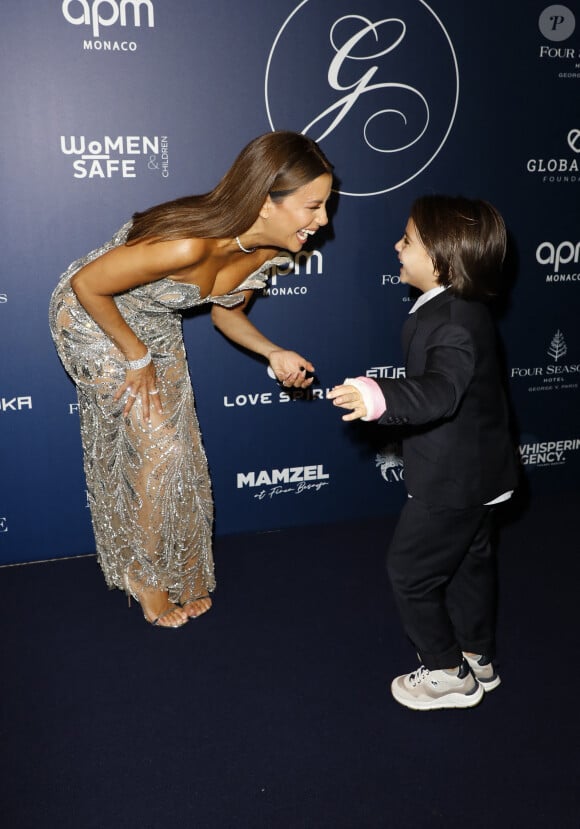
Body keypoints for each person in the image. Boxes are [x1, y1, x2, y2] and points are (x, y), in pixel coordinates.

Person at [50, 131, 333, 628]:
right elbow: (87, 285)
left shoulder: (270, 250)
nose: (323, 220)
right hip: (93, 318)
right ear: (267, 202)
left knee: (181, 449)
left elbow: (227, 315)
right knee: (162, 449)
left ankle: (182, 566)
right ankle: (145, 576)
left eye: (325, 205)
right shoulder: (186, 244)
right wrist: (136, 356)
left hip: (154, 321)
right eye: (313, 206)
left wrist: (274, 351)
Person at [328, 195, 518, 710]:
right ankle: (477, 654)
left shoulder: (451, 321)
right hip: (484, 473)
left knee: (409, 571)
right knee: (469, 564)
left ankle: (446, 672)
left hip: (451, 479)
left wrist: (378, 396)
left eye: (407, 240)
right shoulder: (463, 308)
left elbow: (440, 390)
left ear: (442, 258)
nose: (396, 245)